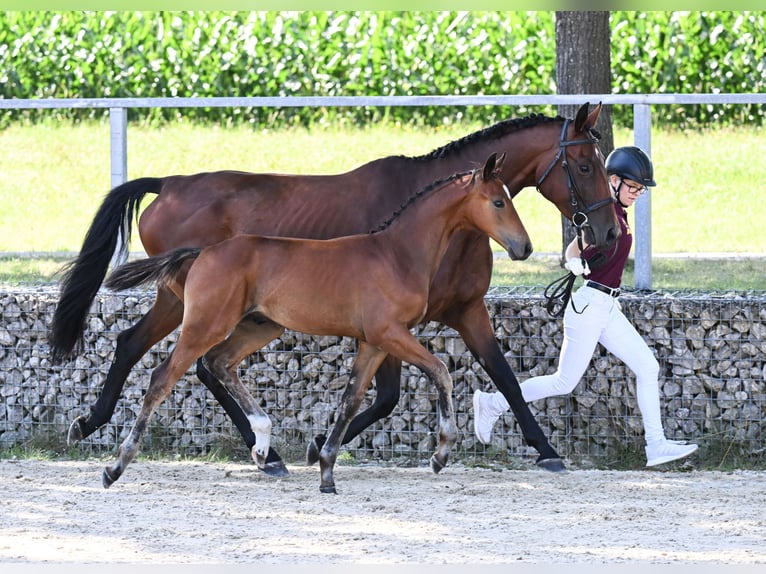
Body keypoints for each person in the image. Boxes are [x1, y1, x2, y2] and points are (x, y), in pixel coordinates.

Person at [473, 146, 698, 467]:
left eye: (640, 190)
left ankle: (656, 445)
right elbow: (571, 251)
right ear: (614, 182)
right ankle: (493, 403)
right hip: (590, 305)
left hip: (608, 307)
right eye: (632, 187)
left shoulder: (618, 215)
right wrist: (576, 264)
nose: (637, 194)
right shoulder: (601, 217)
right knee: (564, 382)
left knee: (648, 367)